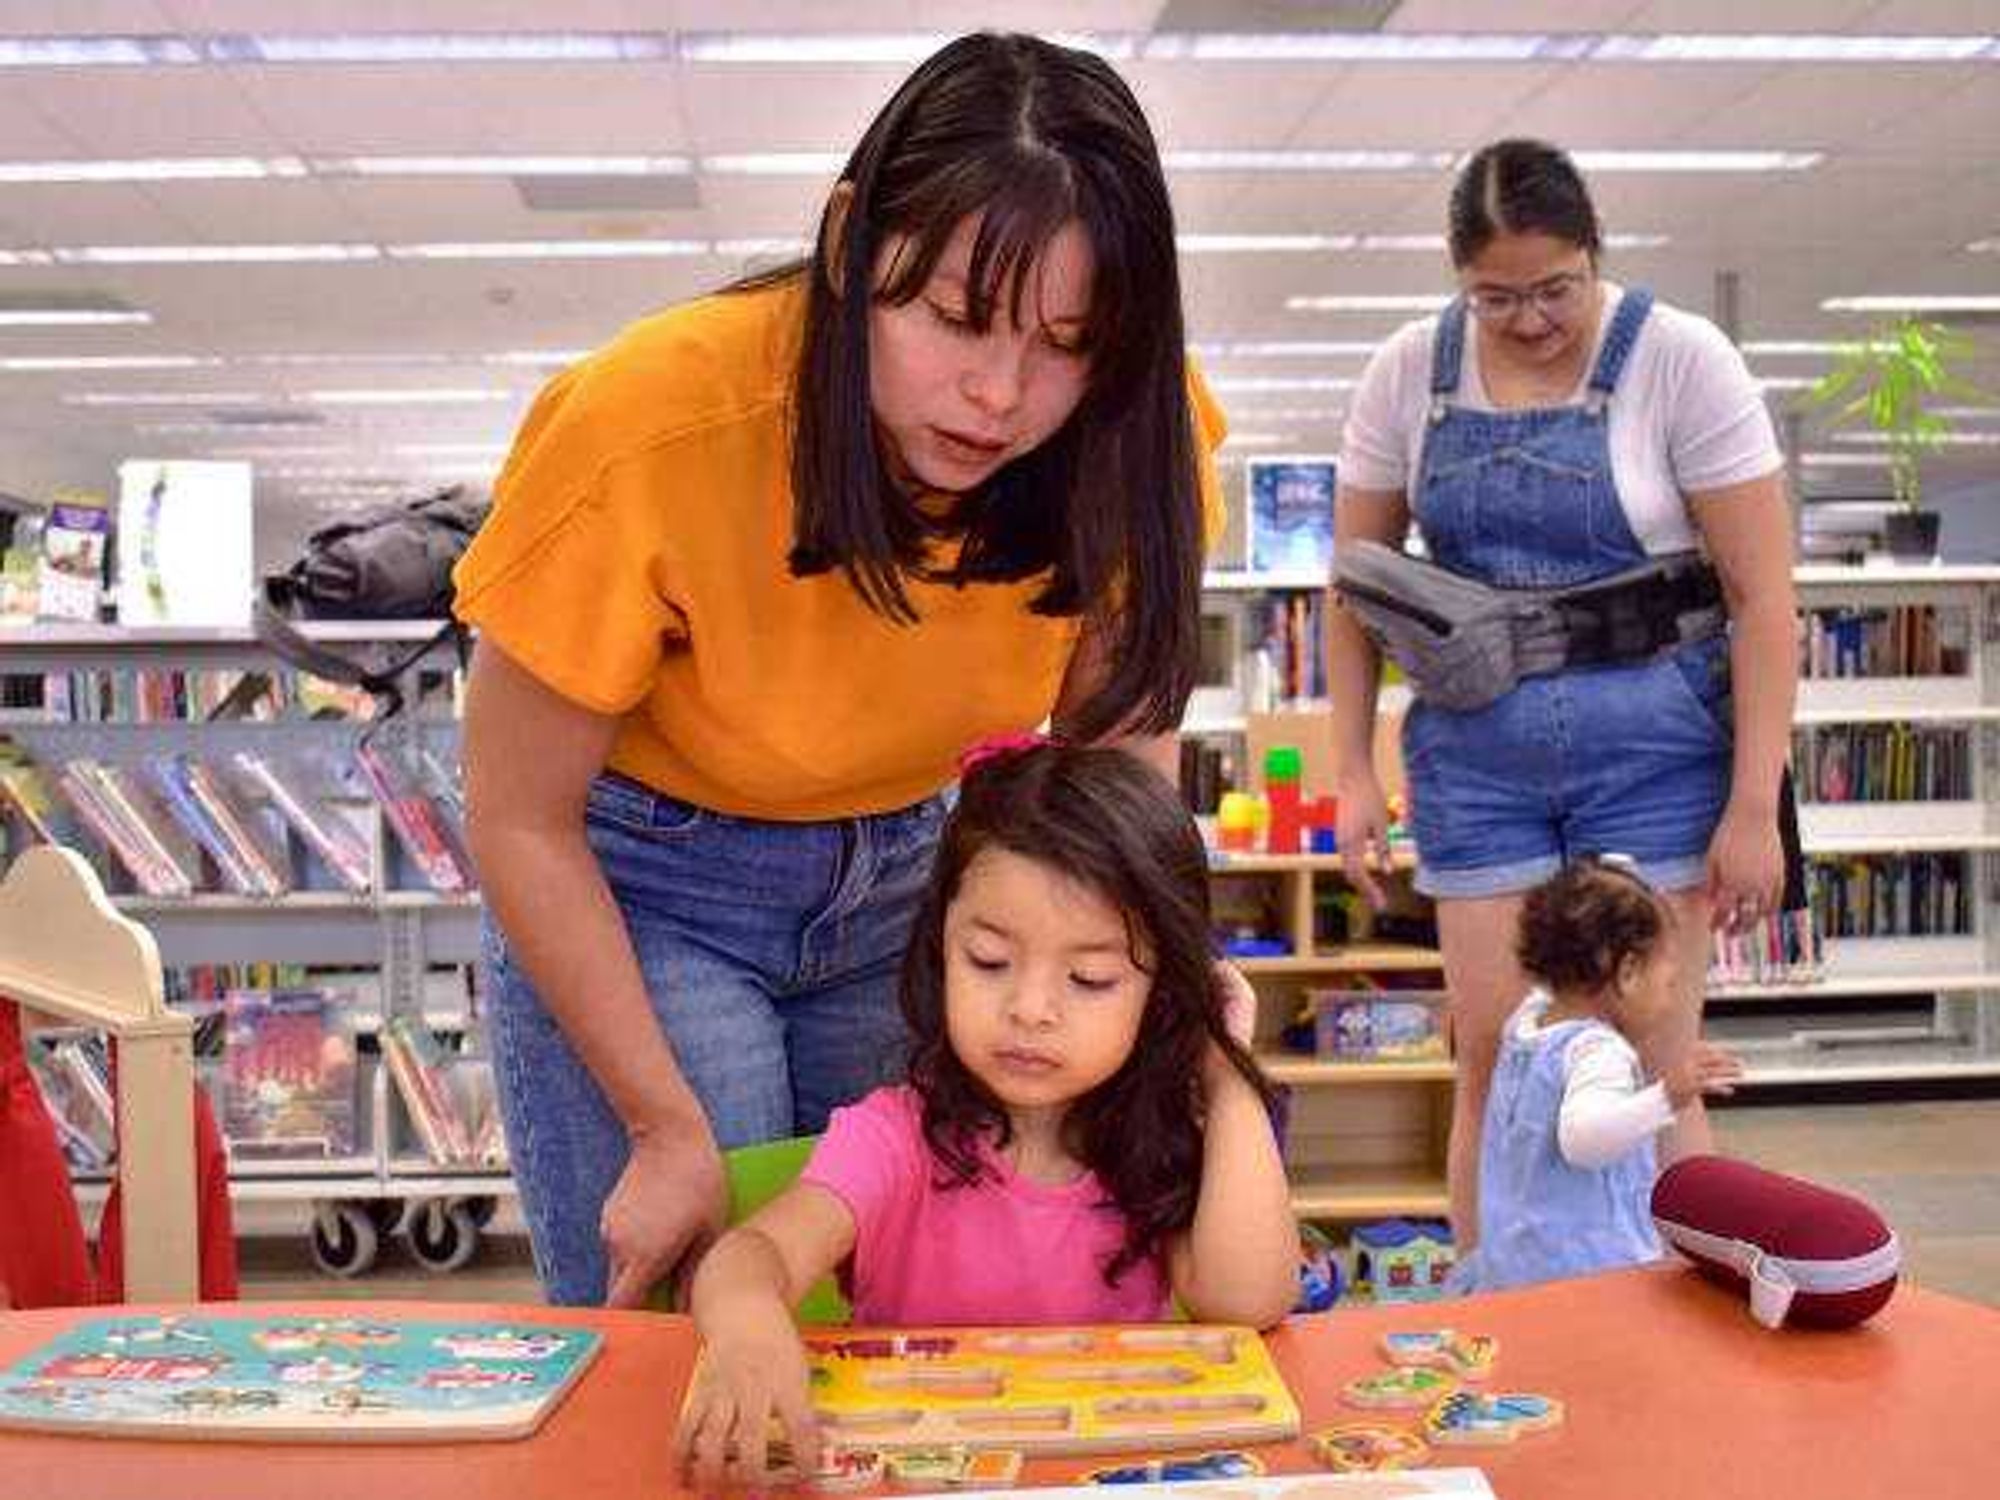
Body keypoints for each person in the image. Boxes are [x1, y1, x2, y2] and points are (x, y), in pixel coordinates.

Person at [453, 32, 1227, 1307]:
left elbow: (1108, 797)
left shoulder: (1134, 436)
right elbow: (517, 814)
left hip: (921, 873)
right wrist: (658, 1126)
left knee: (908, 1298)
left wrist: (1144, 1010)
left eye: (1065, 343)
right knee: (690, 1321)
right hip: (646, 886)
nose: (997, 393)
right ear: (846, 243)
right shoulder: (646, 423)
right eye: (951, 318)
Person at [1326, 138, 1797, 1250]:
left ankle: (1683, 1337)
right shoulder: (1408, 371)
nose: (1530, 319)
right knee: (1497, 1062)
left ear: (1594, 255)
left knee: (1651, 1068)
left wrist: (1750, 806)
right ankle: (1498, 1323)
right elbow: (1351, 594)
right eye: (1495, 297)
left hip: (1655, 752)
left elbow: (1760, 600)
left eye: (1554, 289)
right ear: (1457, 281)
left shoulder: (1679, 359)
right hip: (1475, 762)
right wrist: (1350, 774)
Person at [675, 740, 1298, 1488]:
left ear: (1161, 994)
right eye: (990, 962)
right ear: (941, 951)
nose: (1029, 1009)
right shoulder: (892, 1138)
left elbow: (1248, 1300)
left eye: (1090, 978)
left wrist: (1225, 1075)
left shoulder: (1152, 1150)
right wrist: (745, 1321)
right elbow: (754, 1256)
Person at [1455, 858, 1743, 1294]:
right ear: (1627, 973)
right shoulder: (1597, 1052)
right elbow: (1585, 1140)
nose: (1668, 1000)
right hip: (1587, 1273)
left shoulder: (1528, 1022)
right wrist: (1667, 1096)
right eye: (1667, 981)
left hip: (1515, 1262)